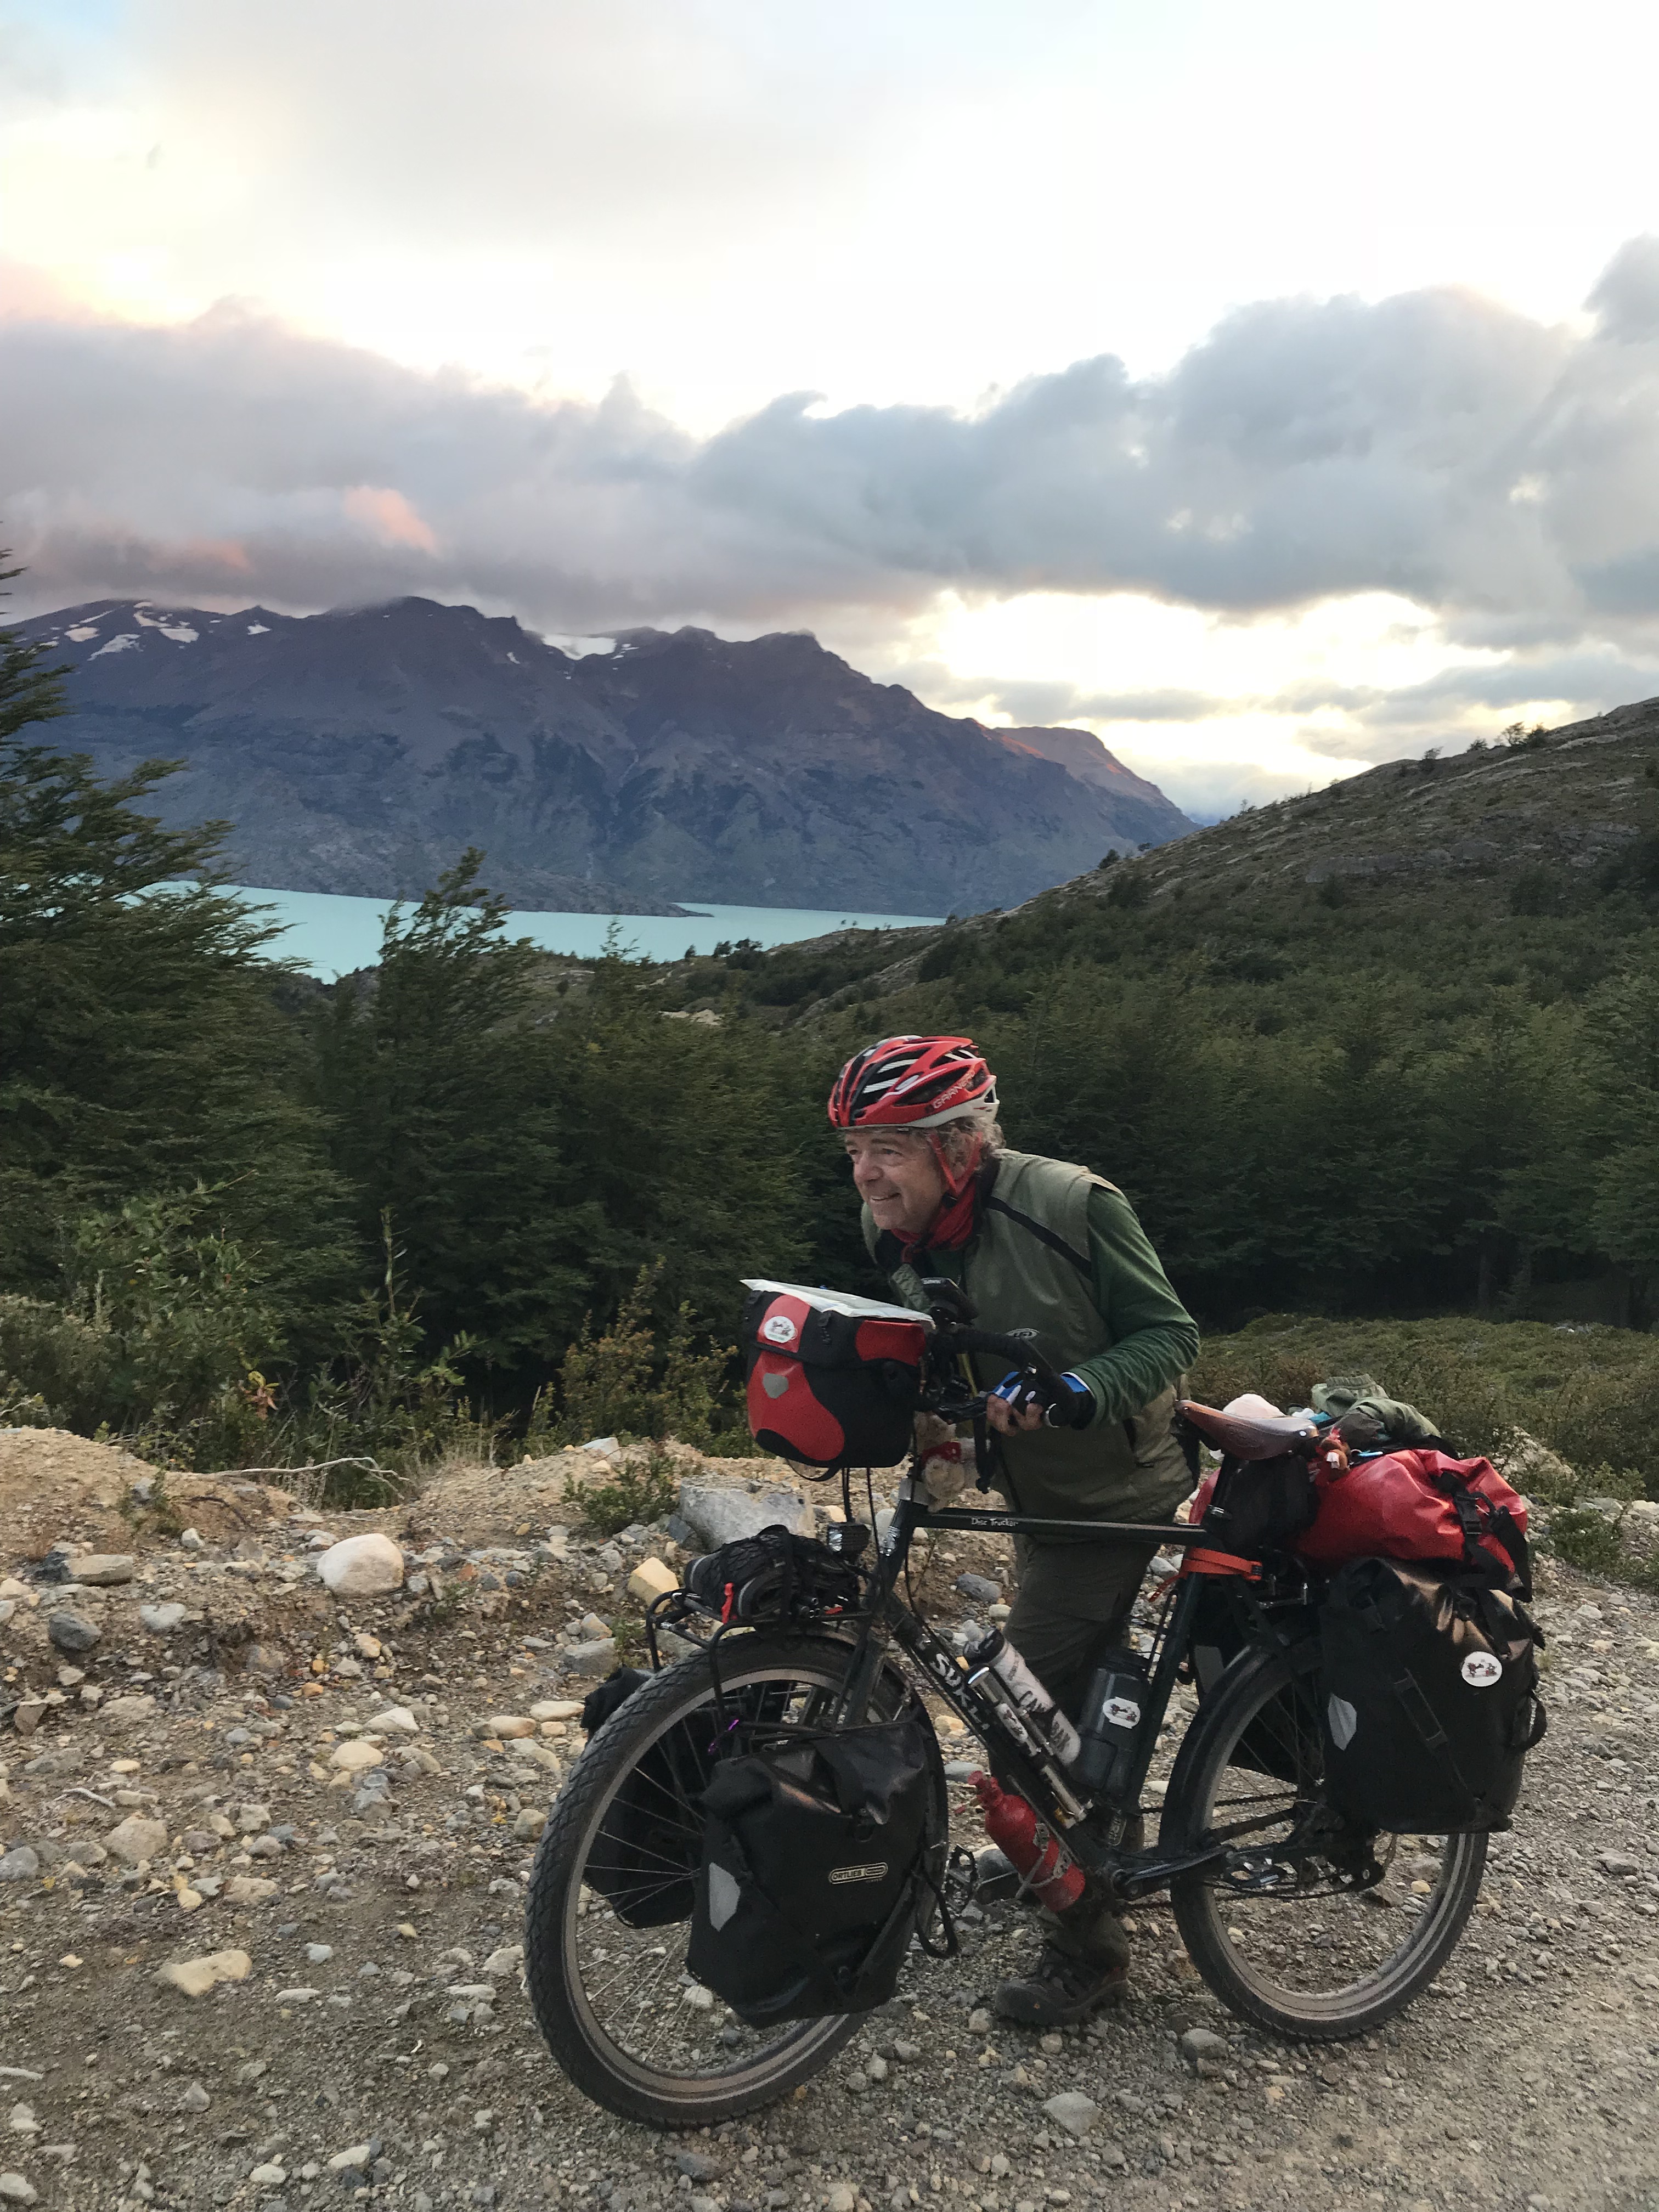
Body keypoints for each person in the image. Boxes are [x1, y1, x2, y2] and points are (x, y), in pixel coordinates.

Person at [828, 1032, 1199, 2025]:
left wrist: (1076, 1390)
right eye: (856, 1149)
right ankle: (1079, 1846)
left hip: (1115, 1495)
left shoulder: (1076, 1204)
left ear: (959, 1146)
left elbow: (1170, 1335)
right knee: (1063, 1706)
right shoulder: (893, 1231)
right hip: (1032, 1491)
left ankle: (1091, 1952)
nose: (867, 1174)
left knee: (1020, 1714)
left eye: (889, 1148)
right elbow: (944, 1337)